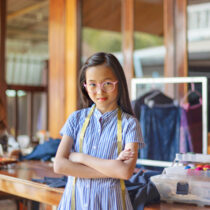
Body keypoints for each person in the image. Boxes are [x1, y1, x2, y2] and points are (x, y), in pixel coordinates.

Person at [54, 52, 144, 210]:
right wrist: (112, 168)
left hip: (111, 204)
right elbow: (60, 165)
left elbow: (124, 172)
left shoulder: (130, 124)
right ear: (85, 86)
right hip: (75, 203)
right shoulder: (75, 119)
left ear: (119, 83)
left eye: (107, 83)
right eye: (92, 84)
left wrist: (79, 157)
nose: (99, 91)